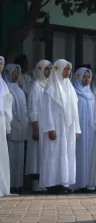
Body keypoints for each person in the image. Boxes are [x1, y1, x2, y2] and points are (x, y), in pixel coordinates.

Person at [39, 59, 80, 194]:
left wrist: (76, 130)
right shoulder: (50, 89)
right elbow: (46, 111)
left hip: (68, 128)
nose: (67, 72)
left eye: (69, 69)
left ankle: (63, 182)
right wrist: (50, 128)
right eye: (65, 69)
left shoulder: (70, 88)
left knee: (66, 154)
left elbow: (75, 111)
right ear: (58, 70)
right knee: (54, 153)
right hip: (55, 127)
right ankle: (52, 184)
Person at [26, 59, 51, 193]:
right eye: (46, 69)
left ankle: (42, 181)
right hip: (37, 125)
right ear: (40, 70)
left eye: (50, 69)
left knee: (42, 155)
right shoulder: (36, 86)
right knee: (35, 155)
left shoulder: (48, 85)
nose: (49, 71)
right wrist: (35, 127)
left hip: (46, 125)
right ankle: (34, 183)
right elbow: (33, 109)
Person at [3, 62, 27, 192]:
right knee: (11, 158)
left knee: (19, 159)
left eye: (18, 73)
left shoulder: (20, 89)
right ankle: (10, 184)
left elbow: (24, 109)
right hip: (12, 126)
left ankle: (18, 184)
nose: (17, 75)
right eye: (14, 73)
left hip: (21, 127)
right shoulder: (6, 88)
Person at [71, 67, 96, 193]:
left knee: (89, 155)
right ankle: (78, 183)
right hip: (78, 130)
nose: (86, 80)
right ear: (78, 78)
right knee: (79, 154)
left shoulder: (91, 94)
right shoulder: (74, 93)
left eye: (88, 77)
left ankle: (88, 183)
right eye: (84, 77)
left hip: (90, 131)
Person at [0, 58, 12, 197]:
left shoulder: (3, 83)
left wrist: (8, 124)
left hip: (1, 120)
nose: (0, 66)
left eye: (2, 63)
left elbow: (8, 105)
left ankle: (3, 187)